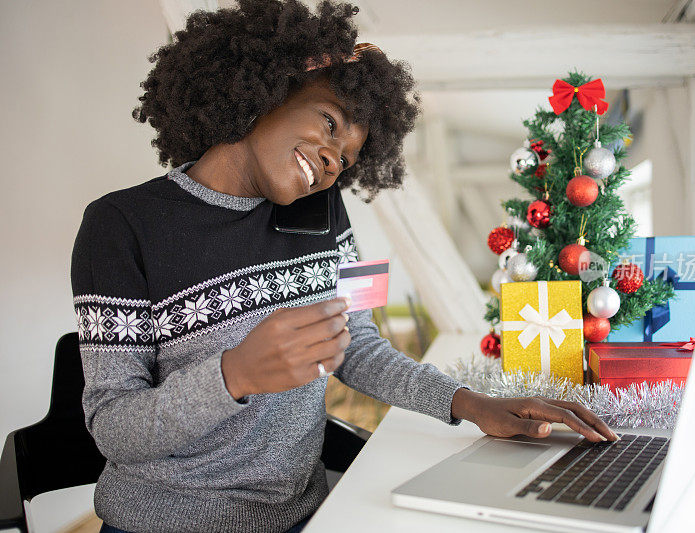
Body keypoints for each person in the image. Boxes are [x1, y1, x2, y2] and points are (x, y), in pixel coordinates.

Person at [70, 1, 617, 532]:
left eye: (348, 159)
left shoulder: (324, 212)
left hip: (305, 513)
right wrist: (234, 375)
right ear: (269, 89)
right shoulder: (121, 225)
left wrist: (470, 405)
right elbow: (113, 428)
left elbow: (358, 346)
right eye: (330, 123)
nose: (334, 161)